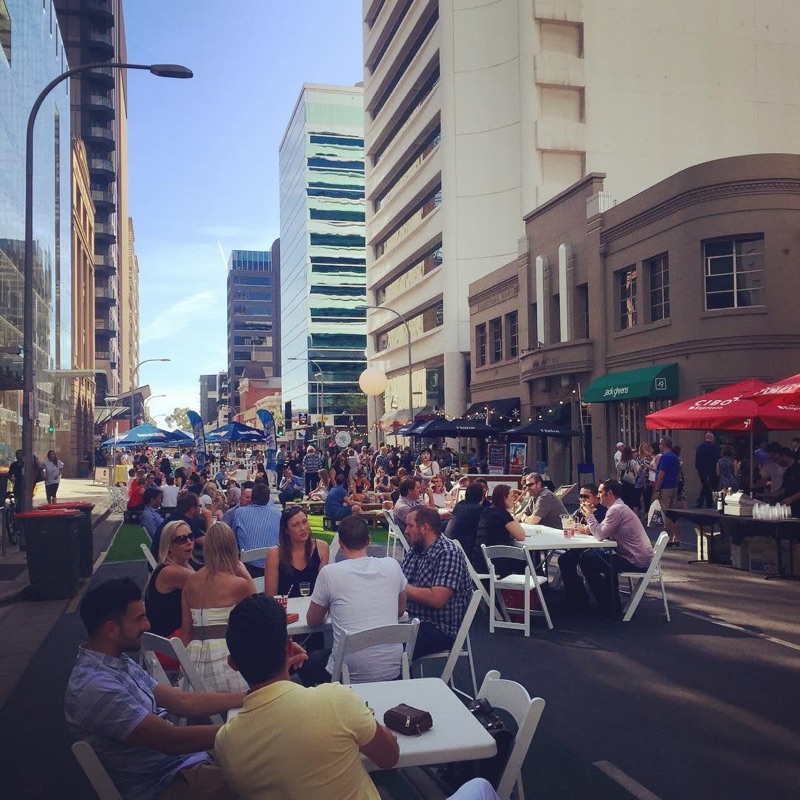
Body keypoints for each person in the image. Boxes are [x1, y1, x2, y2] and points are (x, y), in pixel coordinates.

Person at [65, 578, 244, 800]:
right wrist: (246, 730)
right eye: (140, 619)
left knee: (266, 758)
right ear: (111, 629)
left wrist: (251, 696)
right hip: (165, 783)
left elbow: (181, 701)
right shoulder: (96, 688)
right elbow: (171, 740)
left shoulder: (116, 662)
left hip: (183, 764)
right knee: (265, 780)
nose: (148, 625)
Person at [214, 594, 399, 799]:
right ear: (289, 647)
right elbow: (390, 757)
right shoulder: (336, 701)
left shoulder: (226, 743)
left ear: (233, 664)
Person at [305, 515, 407, 684]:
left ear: (341, 544)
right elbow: (400, 609)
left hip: (347, 671)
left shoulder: (330, 573)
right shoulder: (392, 565)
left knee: (308, 662)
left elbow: (312, 620)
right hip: (393, 667)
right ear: (368, 540)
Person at [181, 522, 257, 694]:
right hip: (227, 663)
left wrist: (183, 666)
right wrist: (244, 572)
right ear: (232, 546)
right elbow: (261, 612)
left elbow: (186, 631)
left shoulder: (191, 582)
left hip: (193, 665)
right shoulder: (238, 584)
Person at [401, 505, 472, 659]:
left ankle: (399, 681)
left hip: (440, 628)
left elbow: (437, 599)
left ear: (424, 528)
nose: (406, 530)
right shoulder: (416, 549)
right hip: (412, 620)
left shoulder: (447, 553)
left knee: (388, 650)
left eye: (410, 525)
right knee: (370, 639)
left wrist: (399, 586)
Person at [580, 479, 654, 613]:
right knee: (598, 559)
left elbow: (600, 534)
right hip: (637, 556)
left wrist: (589, 516)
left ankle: (607, 605)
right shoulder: (618, 508)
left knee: (587, 560)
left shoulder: (616, 510)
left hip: (635, 559)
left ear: (610, 493)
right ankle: (612, 604)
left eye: (600, 492)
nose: (598, 496)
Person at [143, 520, 195, 638]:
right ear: (170, 546)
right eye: (181, 539)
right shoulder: (170, 572)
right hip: (170, 646)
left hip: (175, 640)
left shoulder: (185, 565)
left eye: (191, 537)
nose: (189, 542)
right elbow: (212, 586)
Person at [558, 484, 607, 610]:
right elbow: (570, 524)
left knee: (584, 559)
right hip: (581, 545)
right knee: (565, 559)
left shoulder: (602, 511)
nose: (582, 500)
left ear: (596, 498)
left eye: (586, 496)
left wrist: (581, 527)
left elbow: (588, 530)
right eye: (580, 497)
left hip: (600, 548)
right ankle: (576, 596)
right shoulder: (580, 510)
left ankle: (599, 601)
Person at [265, 507, 329, 598]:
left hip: (312, 606)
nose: (303, 528)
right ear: (286, 530)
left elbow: (323, 589)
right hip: (284, 607)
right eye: (295, 525)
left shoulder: (322, 548)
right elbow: (270, 596)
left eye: (305, 522)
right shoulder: (275, 554)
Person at [474, 484, 526, 575]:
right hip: (495, 562)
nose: (514, 499)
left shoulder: (487, 511)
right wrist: (510, 515)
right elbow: (521, 536)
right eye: (511, 496)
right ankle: (532, 587)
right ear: (504, 498)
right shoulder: (502, 513)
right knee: (526, 560)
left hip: (480, 560)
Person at [231, 482, 281, 577]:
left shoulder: (239, 513)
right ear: (268, 499)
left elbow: (234, 541)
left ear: (252, 499)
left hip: (248, 570)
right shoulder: (278, 513)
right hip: (275, 567)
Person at [444, 481, 486, 562]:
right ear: (481, 495)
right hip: (464, 553)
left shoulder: (459, 505)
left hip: (450, 549)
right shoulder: (478, 509)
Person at [653, 436, 681, 546]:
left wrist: (657, 489)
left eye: (660, 443)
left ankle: (668, 539)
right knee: (674, 513)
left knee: (666, 513)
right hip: (673, 486)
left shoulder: (665, 457)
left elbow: (661, 474)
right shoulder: (674, 457)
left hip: (665, 487)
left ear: (663, 444)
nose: (659, 445)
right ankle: (677, 538)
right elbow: (678, 474)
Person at [694, 432, 719, 508]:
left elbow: (697, 461)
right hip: (712, 472)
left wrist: (699, 470)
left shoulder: (699, 447)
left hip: (702, 472)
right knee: (708, 487)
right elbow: (716, 460)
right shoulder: (714, 448)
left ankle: (700, 502)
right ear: (711, 438)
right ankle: (707, 503)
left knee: (706, 486)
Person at [616, 446, 641, 512]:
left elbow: (618, 473)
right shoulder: (632, 462)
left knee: (624, 500)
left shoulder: (619, 462)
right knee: (631, 501)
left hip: (622, 483)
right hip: (630, 484)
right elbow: (636, 473)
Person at [778, 447, 800, 517]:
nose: (777, 462)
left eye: (778, 459)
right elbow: (784, 489)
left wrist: (790, 499)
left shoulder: (798, 469)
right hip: (789, 507)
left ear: (785, 456)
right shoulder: (787, 472)